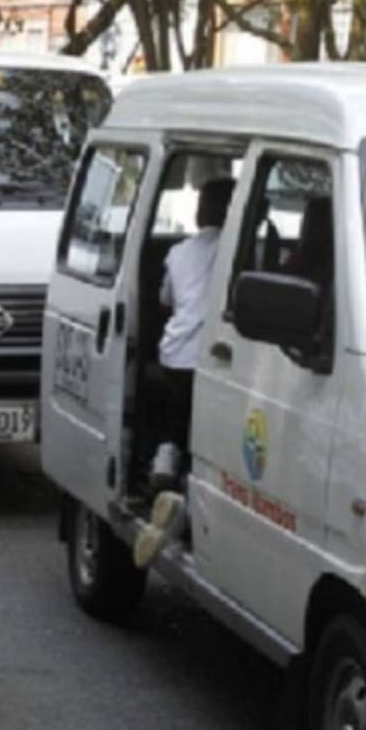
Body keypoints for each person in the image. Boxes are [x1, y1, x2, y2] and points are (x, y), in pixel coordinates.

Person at [134, 177, 237, 569]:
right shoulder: (237, 252)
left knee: (183, 414)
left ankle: (163, 461)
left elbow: (166, 300)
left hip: (174, 353)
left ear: (200, 213)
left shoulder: (178, 252)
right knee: (207, 434)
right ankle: (187, 506)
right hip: (212, 360)